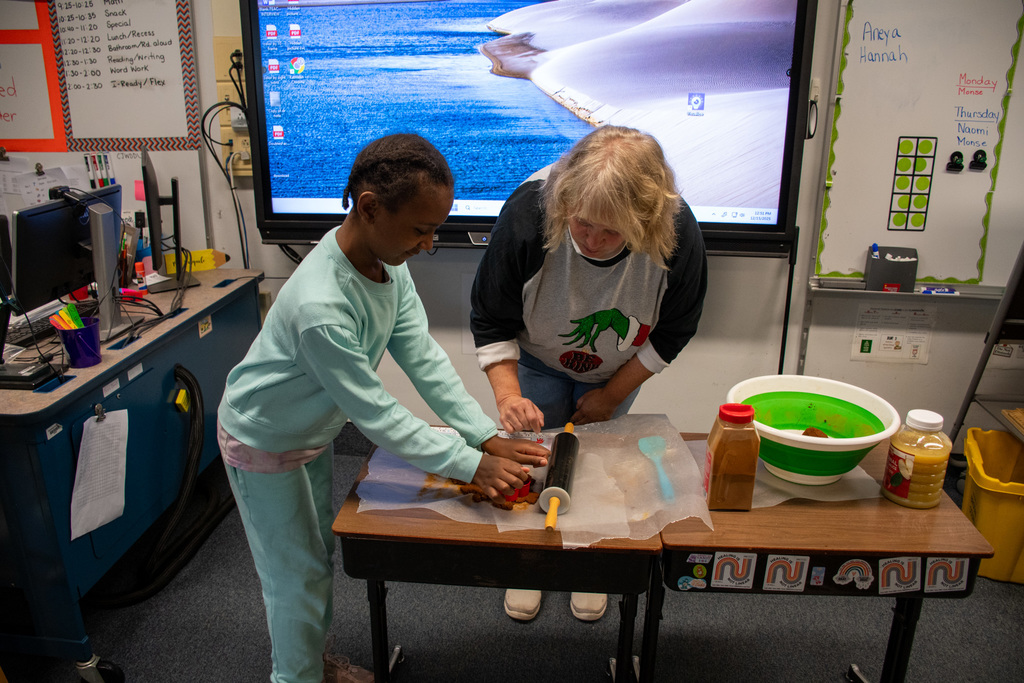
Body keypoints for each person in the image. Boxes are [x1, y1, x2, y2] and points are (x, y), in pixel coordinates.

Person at [218, 133, 549, 683]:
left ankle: (308, 664)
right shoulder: (320, 306)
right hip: (263, 438)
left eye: (435, 230)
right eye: (421, 230)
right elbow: (377, 415)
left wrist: (483, 435)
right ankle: (295, 676)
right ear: (370, 207)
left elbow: (423, 357)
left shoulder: (385, 265)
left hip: (309, 431)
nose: (428, 244)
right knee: (294, 576)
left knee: (315, 557)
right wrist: (469, 463)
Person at [470, 126, 708, 622]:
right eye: (581, 224)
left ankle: (592, 562)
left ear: (644, 221)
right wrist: (508, 395)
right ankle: (530, 563)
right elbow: (492, 317)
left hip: (617, 367)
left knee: (602, 465)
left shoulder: (678, 232)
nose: (594, 241)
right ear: (564, 206)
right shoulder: (528, 214)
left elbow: (674, 330)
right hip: (536, 357)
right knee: (534, 459)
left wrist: (611, 394)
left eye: (611, 231)